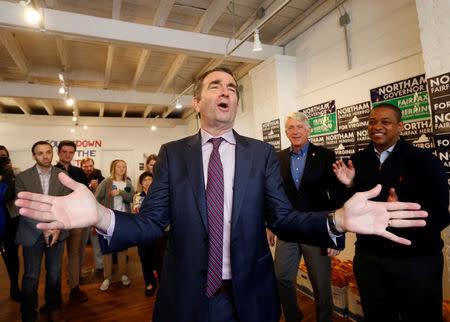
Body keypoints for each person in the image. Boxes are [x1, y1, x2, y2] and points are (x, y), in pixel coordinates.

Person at [15, 68, 428, 322]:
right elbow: (152, 222)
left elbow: (282, 218)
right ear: (198, 102)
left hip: (250, 296)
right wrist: (102, 216)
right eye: (216, 84)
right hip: (188, 298)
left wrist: (335, 219)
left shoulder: (262, 154)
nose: (226, 90)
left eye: (232, 85)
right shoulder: (173, 155)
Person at [333, 103, 450, 322]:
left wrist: (401, 215)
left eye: (385, 122)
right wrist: (347, 186)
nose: (377, 126)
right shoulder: (355, 162)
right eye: (372, 122)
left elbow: (441, 214)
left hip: (418, 261)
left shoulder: (425, 161)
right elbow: (345, 212)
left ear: (400, 126)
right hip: (370, 261)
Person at [267, 112, 345, 322]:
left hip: (317, 230)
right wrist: (270, 225)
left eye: (300, 127)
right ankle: (293, 317)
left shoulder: (325, 156)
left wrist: (337, 233)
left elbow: (336, 197)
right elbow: (273, 194)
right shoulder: (278, 158)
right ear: (285, 132)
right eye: (291, 128)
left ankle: (324, 319)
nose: (295, 131)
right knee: (282, 278)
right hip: (288, 228)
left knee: (320, 283)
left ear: (309, 130)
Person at [15, 141, 71, 322]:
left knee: (54, 273)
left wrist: (55, 226)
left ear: (52, 153)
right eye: (40, 153)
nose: (45, 156)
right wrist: (44, 228)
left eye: (48, 152)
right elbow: (20, 206)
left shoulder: (63, 175)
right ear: (34, 156)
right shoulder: (23, 177)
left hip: (57, 232)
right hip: (32, 233)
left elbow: (67, 205)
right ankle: (28, 312)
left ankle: (53, 306)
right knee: (31, 275)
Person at [55, 140, 89, 303]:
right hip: (57, 220)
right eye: (64, 152)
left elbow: (83, 195)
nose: (67, 155)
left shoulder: (78, 172)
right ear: (59, 153)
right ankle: (53, 292)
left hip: (76, 219)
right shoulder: (52, 171)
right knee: (55, 257)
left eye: (71, 152)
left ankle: (74, 288)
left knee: (75, 254)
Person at [95, 159, 134, 291]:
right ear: (113, 168)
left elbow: (131, 198)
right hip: (108, 221)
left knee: (123, 249)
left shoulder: (127, 183)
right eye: (119, 166)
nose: (122, 169)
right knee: (108, 250)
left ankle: (122, 275)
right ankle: (107, 278)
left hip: (124, 220)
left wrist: (121, 193)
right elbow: (96, 197)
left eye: (124, 166)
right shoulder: (107, 182)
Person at [0, 146, 21, 302]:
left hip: (11, 220)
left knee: (12, 255)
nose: (2, 159)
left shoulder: (15, 173)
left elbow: (11, 196)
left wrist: (8, 175)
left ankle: (15, 286)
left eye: (4, 156)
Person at [133, 171, 159, 296]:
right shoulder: (138, 196)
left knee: (158, 257)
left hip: (158, 232)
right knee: (145, 258)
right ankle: (149, 282)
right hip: (142, 232)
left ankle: (158, 279)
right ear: (141, 183)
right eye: (144, 180)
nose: (147, 182)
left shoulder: (160, 195)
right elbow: (138, 212)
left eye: (150, 179)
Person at [80, 157, 104, 275]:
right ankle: (77, 269)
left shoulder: (101, 178)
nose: (89, 168)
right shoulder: (78, 177)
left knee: (97, 243)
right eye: (86, 166)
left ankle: (100, 267)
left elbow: (102, 197)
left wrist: (96, 188)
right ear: (81, 167)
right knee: (80, 245)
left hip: (96, 216)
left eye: (90, 166)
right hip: (81, 217)